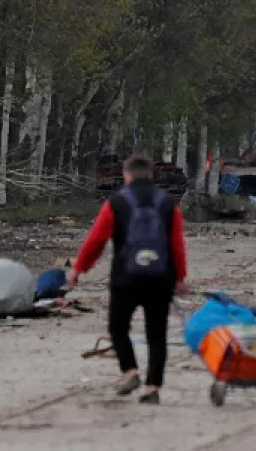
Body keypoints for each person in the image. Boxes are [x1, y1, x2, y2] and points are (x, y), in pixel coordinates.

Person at [69, 155, 189, 404]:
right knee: (157, 333)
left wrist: (79, 269)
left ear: (126, 175)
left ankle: (131, 371)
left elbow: (96, 240)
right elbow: (176, 244)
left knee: (117, 327)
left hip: (126, 277)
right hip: (160, 277)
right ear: (151, 175)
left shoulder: (117, 202)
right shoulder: (168, 203)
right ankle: (152, 388)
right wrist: (180, 277)